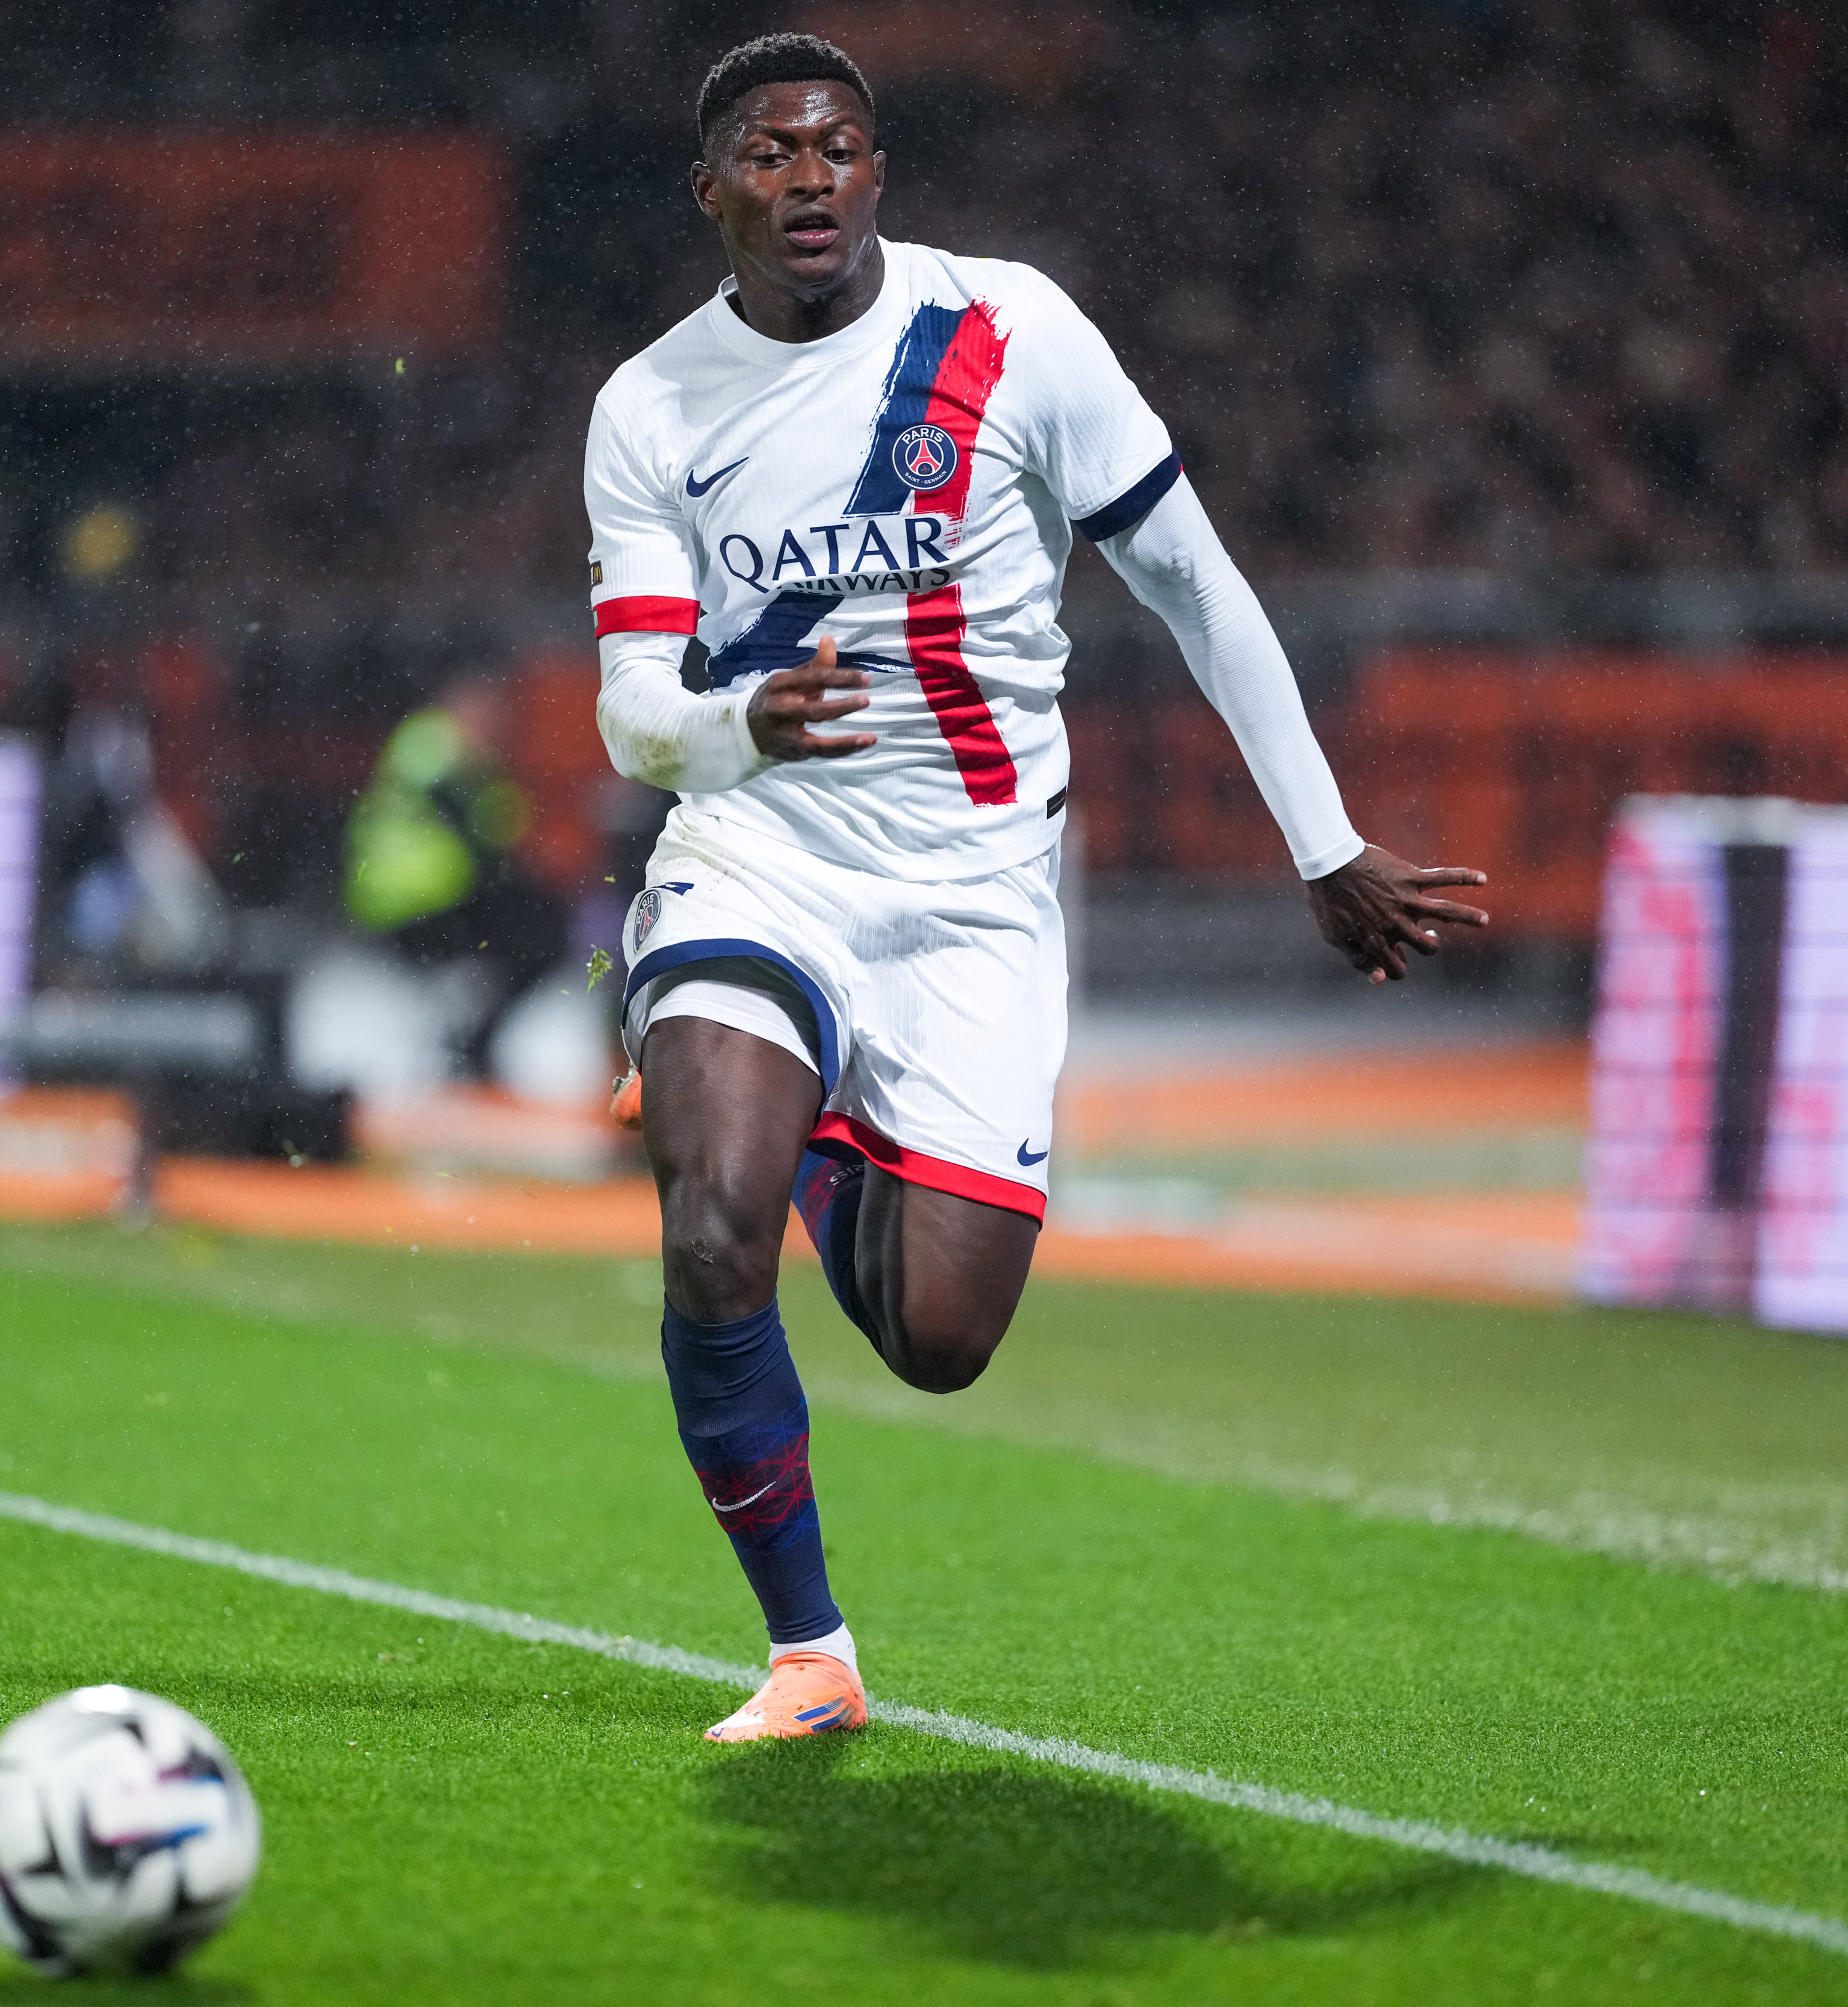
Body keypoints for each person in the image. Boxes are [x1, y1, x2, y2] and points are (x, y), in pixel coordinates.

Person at [586, 36, 1490, 1741]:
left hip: (982, 895)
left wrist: (1326, 842)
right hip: (758, 856)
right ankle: (810, 1654)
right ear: (709, 190)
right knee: (710, 1231)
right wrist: (729, 723)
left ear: (880, 173)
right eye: (770, 154)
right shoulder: (650, 408)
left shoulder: (1013, 337)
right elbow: (637, 717)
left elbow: (1198, 586)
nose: (807, 180)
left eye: (837, 148)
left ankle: (819, 1126)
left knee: (940, 1339)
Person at [344, 677, 568, 1083]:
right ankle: (475, 1043)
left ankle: (472, 1040)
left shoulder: (443, 752)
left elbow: (500, 826)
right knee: (543, 936)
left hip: (428, 901)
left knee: (539, 933)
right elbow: (489, 832)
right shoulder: (432, 743)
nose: (495, 725)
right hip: (416, 904)